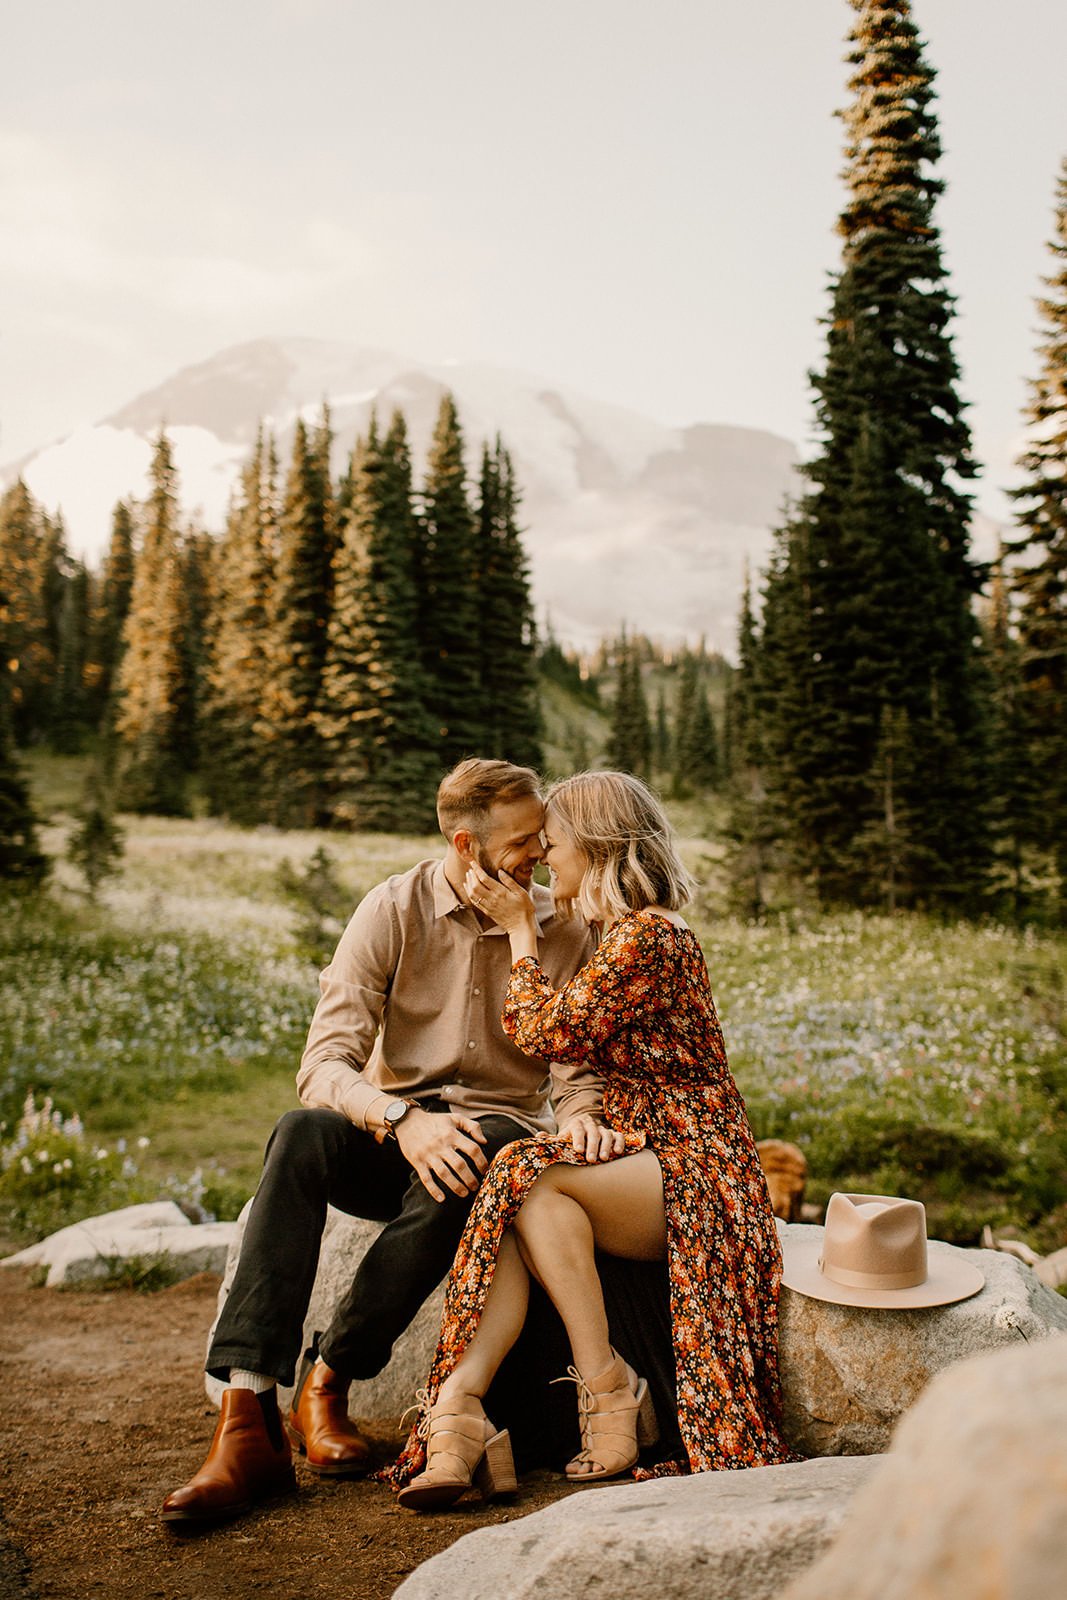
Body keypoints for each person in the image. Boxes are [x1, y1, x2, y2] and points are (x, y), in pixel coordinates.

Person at [162, 758, 601, 1526]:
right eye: (525, 840)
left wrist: (581, 1122)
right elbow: (322, 1066)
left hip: (492, 1140)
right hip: (392, 1132)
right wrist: (400, 1120)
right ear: (466, 845)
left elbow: (570, 1073)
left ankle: (328, 1379)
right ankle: (247, 1414)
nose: (541, 852)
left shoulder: (561, 928)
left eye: (545, 838)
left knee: (481, 1144)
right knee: (300, 1133)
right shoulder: (392, 908)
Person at [386, 770, 794, 1510]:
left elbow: (545, 1034)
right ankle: (463, 1405)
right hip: (647, 1152)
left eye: (555, 842)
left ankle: (601, 1385)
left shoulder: (648, 937)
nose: (542, 856)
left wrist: (517, 932)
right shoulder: (616, 935)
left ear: (597, 849)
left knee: (523, 1170)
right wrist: (589, 1124)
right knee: (520, 1197)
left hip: (699, 1168)